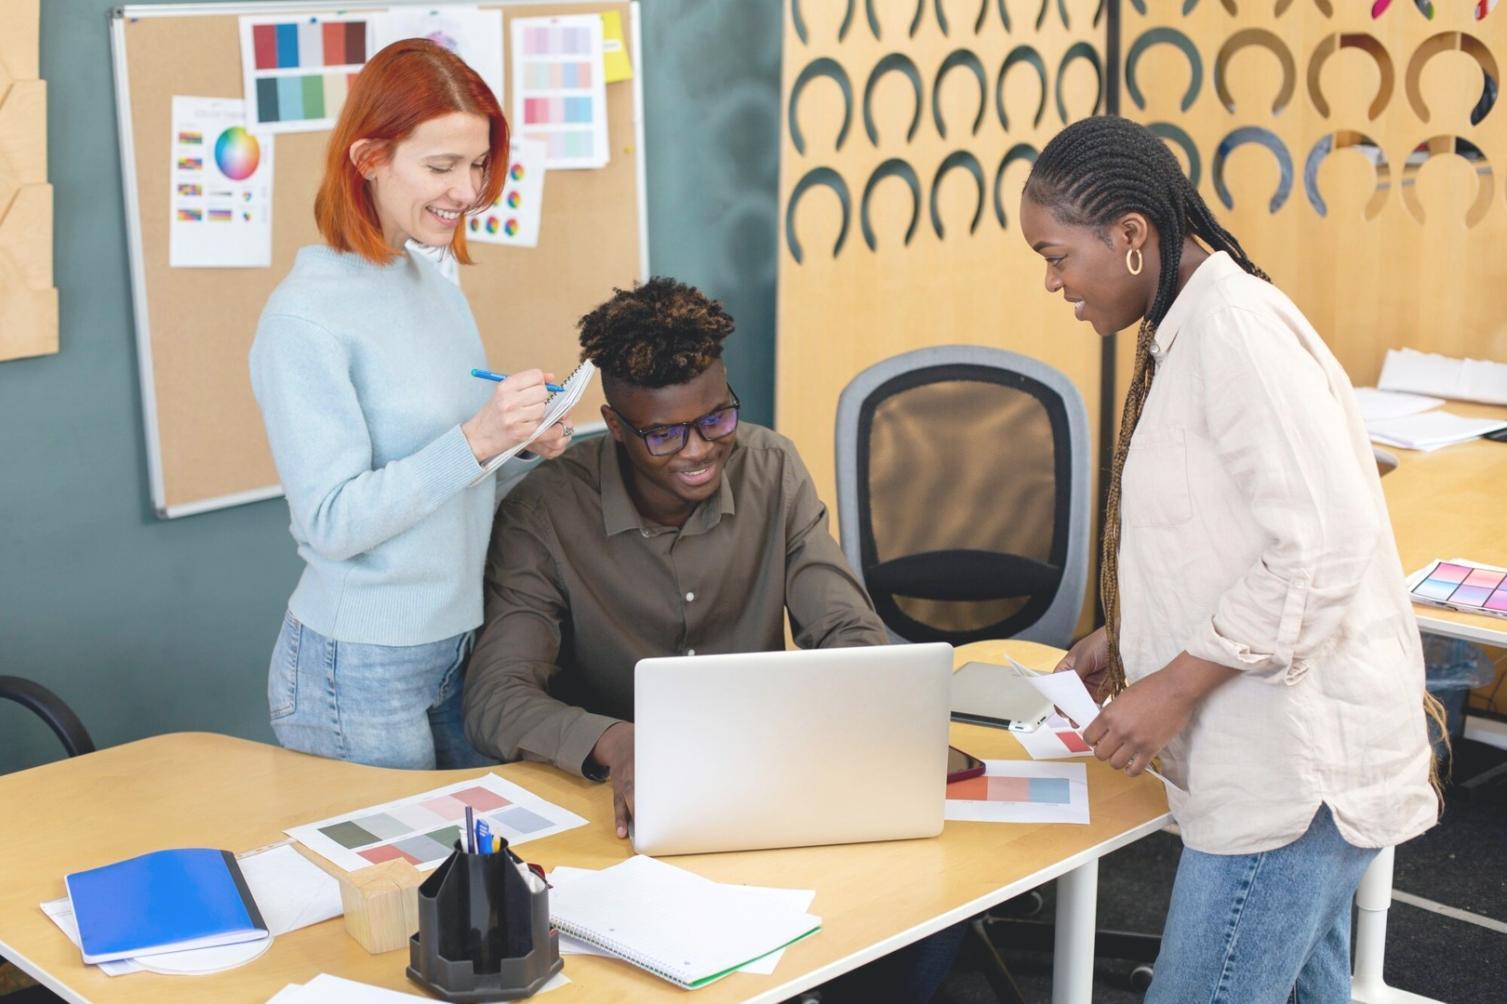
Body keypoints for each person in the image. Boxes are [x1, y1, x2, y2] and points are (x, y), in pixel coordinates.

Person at [1018, 115, 1440, 1002]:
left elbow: (1319, 551)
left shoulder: (1233, 333)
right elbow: (1220, 529)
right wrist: (1126, 631)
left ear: (1130, 236)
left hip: (1295, 775)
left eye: (1057, 256)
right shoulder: (1190, 322)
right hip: (1278, 760)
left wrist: (1167, 688)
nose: (1052, 282)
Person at [464, 277, 961, 1003]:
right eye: (663, 433)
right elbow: (493, 697)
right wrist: (619, 742)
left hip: (770, 780)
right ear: (615, 423)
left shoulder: (771, 465)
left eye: (716, 420)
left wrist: (880, 710)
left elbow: (841, 625)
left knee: (929, 903)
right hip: (617, 818)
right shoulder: (544, 508)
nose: (698, 450)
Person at [249, 40, 572, 770]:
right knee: (393, 885)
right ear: (368, 159)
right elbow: (332, 522)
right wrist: (478, 441)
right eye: (441, 167)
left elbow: (453, 483)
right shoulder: (304, 319)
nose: (468, 190)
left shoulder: (433, 285)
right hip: (357, 666)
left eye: (479, 164)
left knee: (475, 872)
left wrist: (519, 446)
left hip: (460, 641)